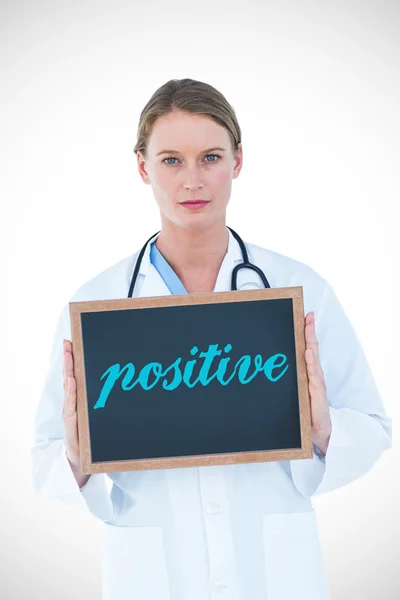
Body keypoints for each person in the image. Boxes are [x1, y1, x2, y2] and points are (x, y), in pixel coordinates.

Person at [31, 78, 392, 600]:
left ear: (238, 161)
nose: (193, 180)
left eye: (211, 157)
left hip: (274, 570)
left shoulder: (300, 290)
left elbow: (373, 425)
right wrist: (75, 456)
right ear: (142, 167)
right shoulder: (98, 304)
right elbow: (44, 457)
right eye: (171, 159)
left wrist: (324, 431)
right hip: (153, 574)